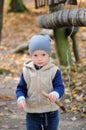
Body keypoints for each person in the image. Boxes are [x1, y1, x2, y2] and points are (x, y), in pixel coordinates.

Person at [16, 35, 65, 130]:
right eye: (35, 55)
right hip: (32, 112)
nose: (39, 58)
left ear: (49, 54)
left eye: (43, 54)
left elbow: (60, 87)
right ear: (31, 55)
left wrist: (55, 93)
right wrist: (21, 98)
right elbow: (21, 88)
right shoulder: (26, 71)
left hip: (50, 111)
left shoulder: (54, 70)